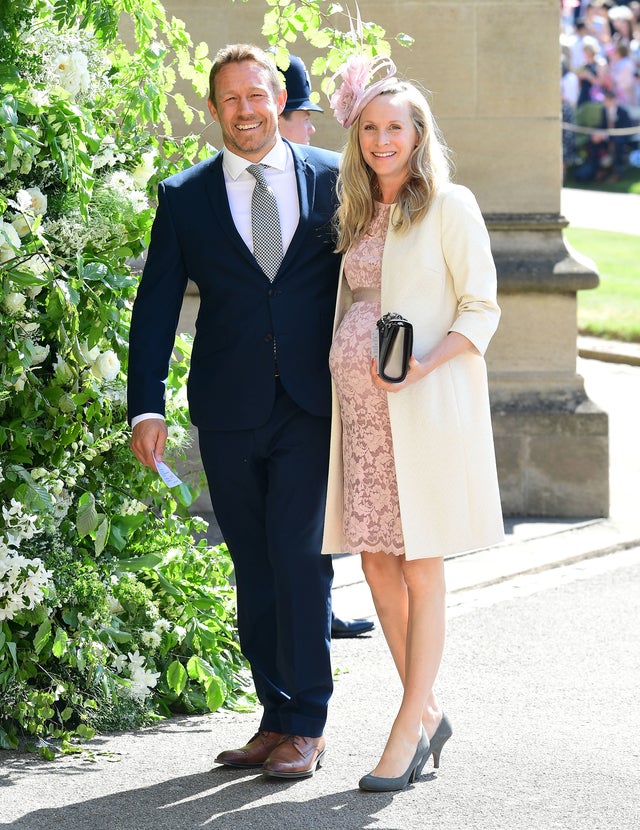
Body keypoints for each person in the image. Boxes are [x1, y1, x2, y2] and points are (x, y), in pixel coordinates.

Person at [128, 43, 341, 780]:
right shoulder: (184, 196)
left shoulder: (334, 179)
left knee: (301, 558)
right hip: (227, 407)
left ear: (279, 100)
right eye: (231, 100)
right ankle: (274, 714)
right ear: (214, 108)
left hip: (314, 404)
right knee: (252, 564)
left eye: (258, 95)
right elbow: (153, 309)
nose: (246, 111)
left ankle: (308, 720)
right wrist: (144, 407)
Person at [322, 56, 504, 792]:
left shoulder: (449, 205)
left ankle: (404, 729)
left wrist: (422, 366)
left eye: (394, 127)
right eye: (369, 127)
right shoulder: (358, 208)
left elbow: (481, 308)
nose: (380, 139)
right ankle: (427, 710)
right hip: (361, 422)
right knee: (374, 564)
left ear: (418, 133)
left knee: (420, 566)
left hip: (417, 413)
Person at [277, 52, 375, 640]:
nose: (311, 128)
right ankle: (306, 617)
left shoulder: (329, 181)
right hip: (269, 378)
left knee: (322, 501)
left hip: (331, 372)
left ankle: (322, 610)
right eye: (301, 115)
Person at [575, 86, 635, 181]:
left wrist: (608, 135)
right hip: (608, 137)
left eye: (609, 100)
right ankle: (596, 168)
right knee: (593, 140)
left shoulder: (622, 112)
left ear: (614, 100)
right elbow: (602, 125)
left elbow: (626, 130)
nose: (607, 102)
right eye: (606, 100)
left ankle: (617, 172)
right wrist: (597, 133)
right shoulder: (604, 110)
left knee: (617, 144)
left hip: (620, 138)